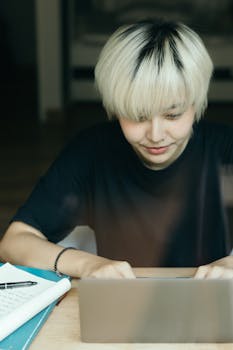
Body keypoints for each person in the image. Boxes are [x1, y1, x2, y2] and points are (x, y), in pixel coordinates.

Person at [0, 18, 233, 279]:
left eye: (172, 115)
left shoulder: (226, 149)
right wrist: (87, 264)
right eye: (138, 116)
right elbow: (14, 242)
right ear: (116, 107)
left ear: (196, 104)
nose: (155, 135)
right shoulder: (91, 152)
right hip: (123, 306)